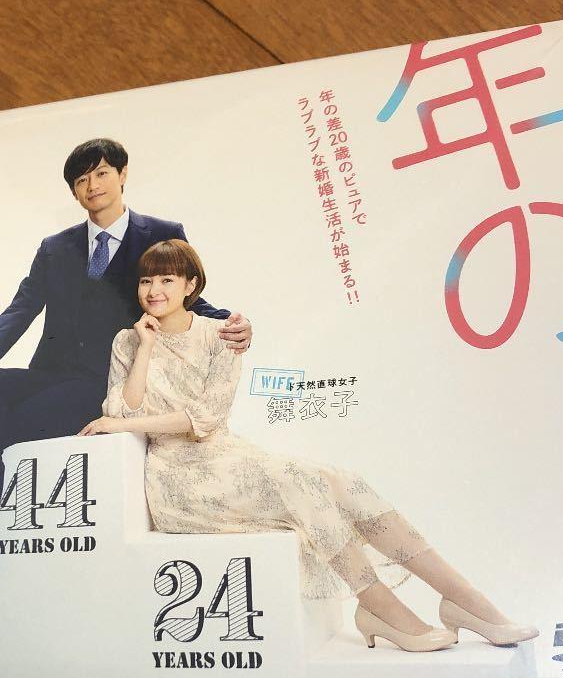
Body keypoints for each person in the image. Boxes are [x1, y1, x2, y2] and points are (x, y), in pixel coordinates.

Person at [80, 240, 538, 652]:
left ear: (190, 285)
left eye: (166, 279)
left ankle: (461, 598)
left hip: (226, 455)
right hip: (177, 480)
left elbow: (205, 418)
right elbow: (124, 411)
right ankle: (380, 604)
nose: (154, 290)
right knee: (299, 479)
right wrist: (145, 348)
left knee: (340, 480)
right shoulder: (127, 341)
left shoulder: (222, 336)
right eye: (146, 280)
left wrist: (118, 420)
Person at [0, 141, 253, 645]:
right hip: (52, 372)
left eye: (100, 174)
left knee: (2, 433)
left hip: (108, 383)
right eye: (80, 181)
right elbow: (23, 304)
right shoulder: (55, 247)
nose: (91, 186)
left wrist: (232, 324)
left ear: (122, 174)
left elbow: (186, 294)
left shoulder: (160, 233)